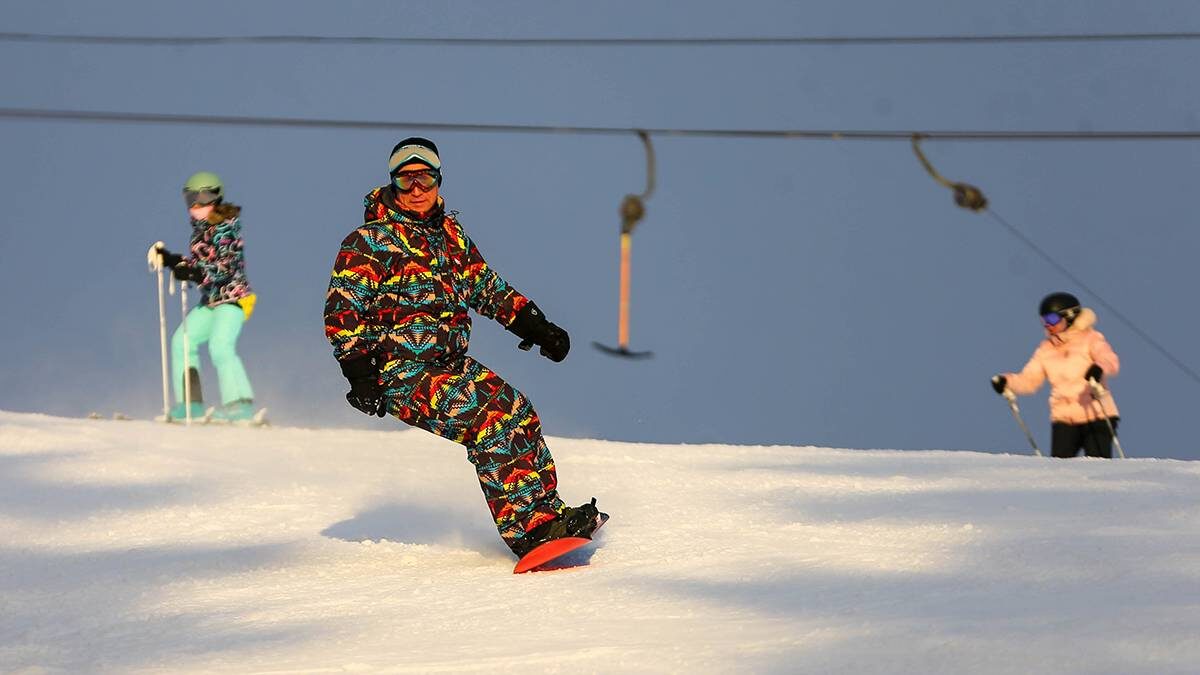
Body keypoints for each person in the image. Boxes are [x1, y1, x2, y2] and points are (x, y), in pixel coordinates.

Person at [323, 137, 605, 558]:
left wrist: (537, 326)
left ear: (439, 179)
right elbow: (342, 310)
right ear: (393, 184)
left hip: (449, 362)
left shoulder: (450, 236)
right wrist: (360, 374)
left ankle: (548, 516)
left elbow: (484, 287)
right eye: (407, 179)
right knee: (488, 420)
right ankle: (528, 532)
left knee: (517, 411)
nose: (417, 189)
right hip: (400, 370)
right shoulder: (370, 241)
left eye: (426, 178)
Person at [150, 171, 259, 422]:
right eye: (192, 199)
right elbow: (199, 262)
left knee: (220, 346)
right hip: (210, 302)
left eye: (204, 197)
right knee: (182, 342)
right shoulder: (200, 231)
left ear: (217, 198)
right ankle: (191, 405)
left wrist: (195, 272)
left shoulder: (226, 226)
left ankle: (240, 406)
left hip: (232, 299)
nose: (197, 205)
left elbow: (225, 265)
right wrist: (172, 260)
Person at [991, 292, 1120, 458]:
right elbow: (1029, 380)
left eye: (1052, 319)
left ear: (1070, 316)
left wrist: (1099, 368)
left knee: (1097, 466)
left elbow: (1110, 360)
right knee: (1061, 470)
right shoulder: (1046, 349)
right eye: (1044, 320)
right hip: (1064, 417)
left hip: (1096, 413)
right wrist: (1007, 382)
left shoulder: (1091, 339)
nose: (1047, 325)